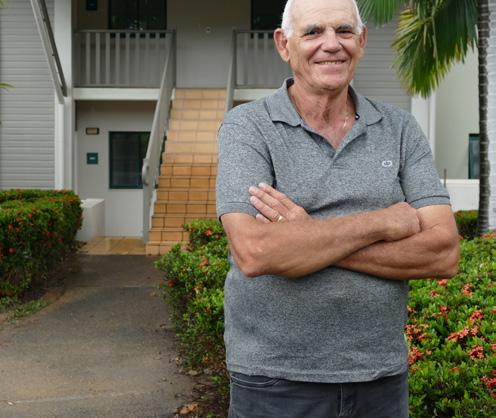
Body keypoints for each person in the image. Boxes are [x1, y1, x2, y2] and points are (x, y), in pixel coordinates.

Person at [215, 0, 460, 416]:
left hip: (381, 381)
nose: (332, 44)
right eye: (313, 32)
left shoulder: (400, 128)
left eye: (344, 31)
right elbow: (256, 252)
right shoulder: (248, 127)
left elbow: (443, 252)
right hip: (275, 382)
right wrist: (382, 222)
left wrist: (306, 235)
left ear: (361, 40)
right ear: (284, 44)